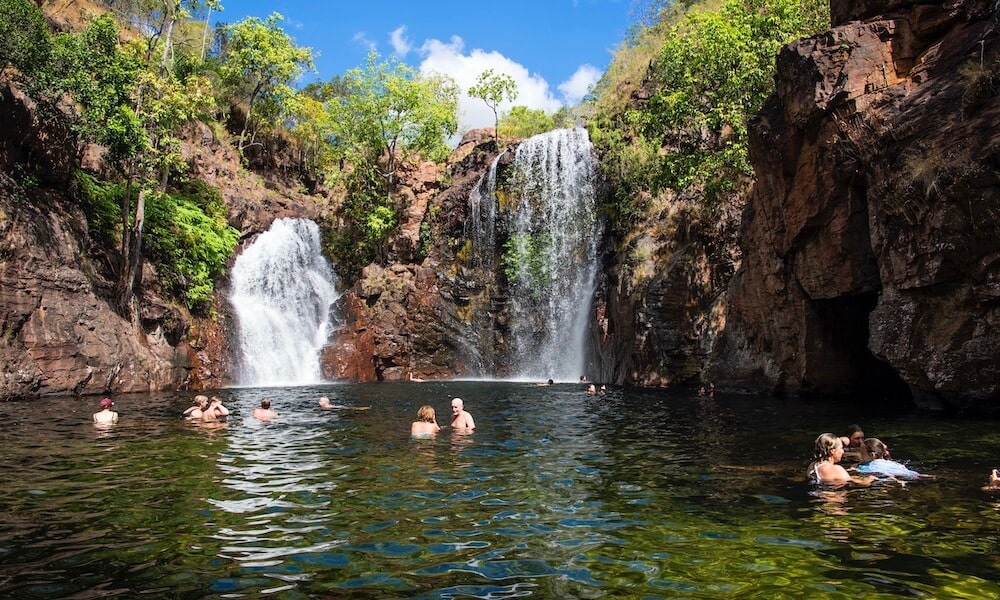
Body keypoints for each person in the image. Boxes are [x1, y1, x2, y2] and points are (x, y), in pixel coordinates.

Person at [807, 432, 874, 486]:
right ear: (832, 451)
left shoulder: (812, 466)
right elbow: (862, 484)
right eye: (841, 448)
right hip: (834, 500)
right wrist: (870, 479)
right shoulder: (836, 469)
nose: (843, 451)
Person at [855, 438, 923, 480]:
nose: (861, 455)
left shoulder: (864, 467)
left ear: (872, 455)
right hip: (910, 474)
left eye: (862, 453)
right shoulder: (892, 463)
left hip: (890, 477)